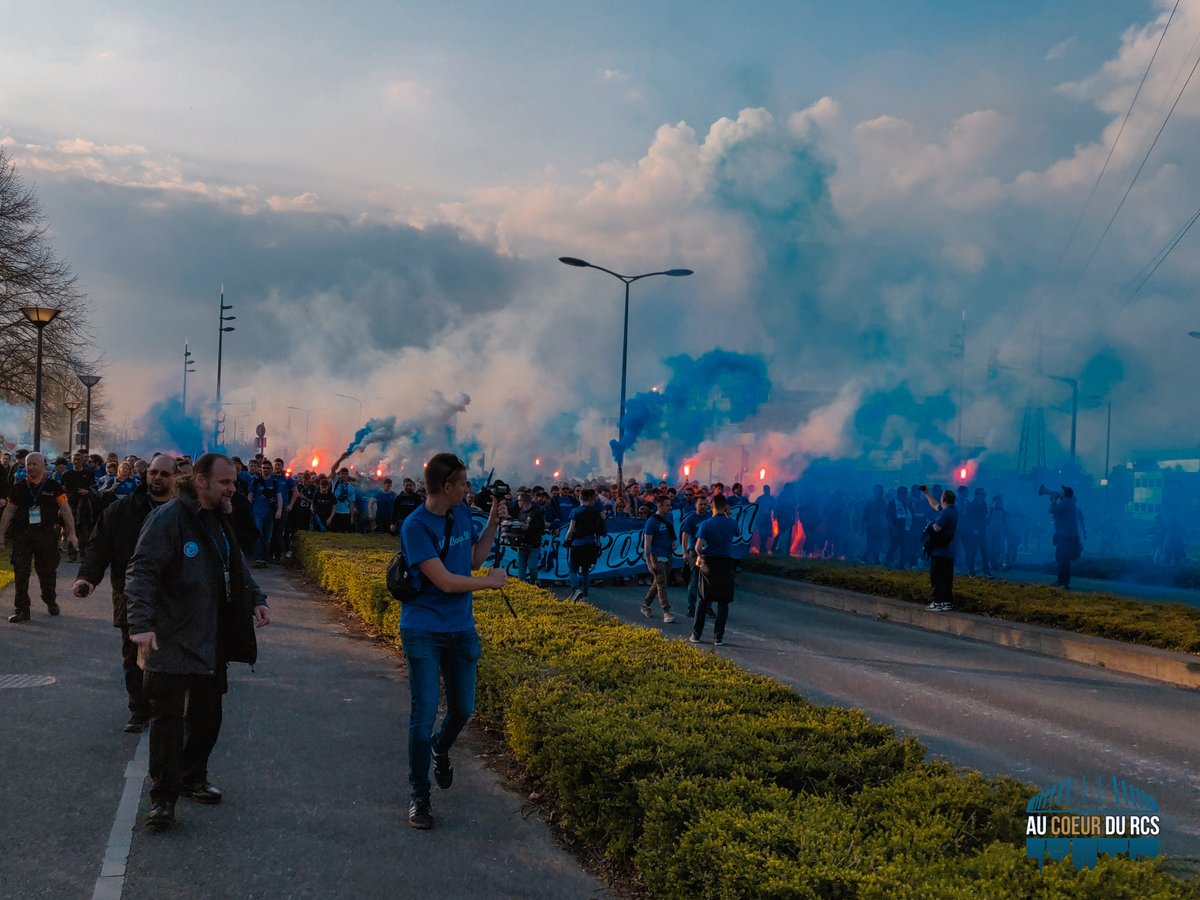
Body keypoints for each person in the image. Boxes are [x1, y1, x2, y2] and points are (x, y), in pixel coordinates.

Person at [123, 453, 270, 832]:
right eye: (225, 483)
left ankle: (193, 777)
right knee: (167, 723)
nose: (232, 490)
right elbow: (142, 570)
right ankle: (163, 799)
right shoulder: (169, 517)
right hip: (171, 638)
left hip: (211, 640)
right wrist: (140, 623)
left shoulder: (220, 520)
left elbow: (233, 564)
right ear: (202, 481)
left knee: (207, 717)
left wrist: (255, 597)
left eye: (234, 483)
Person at [399, 452, 507, 830]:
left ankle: (439, 747)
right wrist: (490, 584)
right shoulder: (415, 526)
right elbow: (444, 581)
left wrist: (492, 522)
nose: (468, 489)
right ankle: (419, 794)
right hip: (423, 630)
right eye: (463, 484)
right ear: (446, 487)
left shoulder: (461, 513)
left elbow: (474, 559)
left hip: (460, 628)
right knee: (423, 713)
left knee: (462, 709)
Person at [73, 453, 178, 732]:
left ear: (175, 478)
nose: (157, 478)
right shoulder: (122, 511)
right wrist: (87, 578)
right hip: (130, 592)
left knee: (170, 654)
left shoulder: (185, 512)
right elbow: (99, 547)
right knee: (132, 657)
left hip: (175, 597)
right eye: (153, 472)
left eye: (164, 474)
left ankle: (168, 708)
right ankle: (139, 710)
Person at [0, 452, 78, 622]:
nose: (31, 467)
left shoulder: (54, 487)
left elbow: (65, 510)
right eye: (28, 464)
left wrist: (72, 533)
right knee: (21, 572)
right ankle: (22, 609)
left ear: (43, 465)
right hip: (23, 535)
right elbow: (9, 511)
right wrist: (1, 533)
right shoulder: (18, 487)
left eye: (35, 464)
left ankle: (50, 599)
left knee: (47, 572)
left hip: (46, 536)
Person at [688, 493, 740, 646]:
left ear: (712, 506)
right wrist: (729, 516)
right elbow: (738, 534)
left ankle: (696, 635)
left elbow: (698, 547)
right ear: (725, 507)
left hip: (709, 564)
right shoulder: (731, 523)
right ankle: (718, 638)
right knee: (723, 603)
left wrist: (702, 553)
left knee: (703, 600)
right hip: (726, 564)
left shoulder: (706, 524)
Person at [640, 495, 678, 624]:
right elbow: (647, 544)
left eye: (669, 504)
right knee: (662, 583)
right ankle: (666, 612)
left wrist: (673, 542)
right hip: (656, 556)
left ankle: (646, 604)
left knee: (658, 582)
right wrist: (648, 562)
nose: (669, 507)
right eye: (666, 505)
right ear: (659, 505)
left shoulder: (669, 517)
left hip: (667, 554)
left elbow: (671, 532)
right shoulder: (651, 522)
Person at [920, 486, 957, 612]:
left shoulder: (946, 513)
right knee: (947, 578)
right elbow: (935, 505)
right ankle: (947, 601)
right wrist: (927, 494)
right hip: (949, 551)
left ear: (944, 499)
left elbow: (937, 528)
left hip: (940, 550)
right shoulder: (952, 510)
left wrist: (930, 526)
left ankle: (937, 602)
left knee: (936, 577)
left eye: (941, 497)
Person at [564, 487, 605, 601]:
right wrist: (597, 544)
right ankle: (585, 596)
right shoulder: (595, 512)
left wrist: (566, 540)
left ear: (580, 497)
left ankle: (576, 590)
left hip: (577, 544)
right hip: (591, 544)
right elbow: (598, 531)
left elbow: (571, 529)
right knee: (586, 571)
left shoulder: (575, 511)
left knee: (573, 569)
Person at [680, 496, 711, 618]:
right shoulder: (691, 519)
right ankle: (691, 608)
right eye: (701, 504)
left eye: (705, 504)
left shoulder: (710, 517)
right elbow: (685, 536)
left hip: (708, 553)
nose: (703, 506)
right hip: (695, 553)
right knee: (694, 580)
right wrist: (684, 552)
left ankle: (708, 607)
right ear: (696, 505)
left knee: (708, 581)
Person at [1049, 486, 1083, 589]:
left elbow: (1051, 510)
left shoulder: (1066, 502)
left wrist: (1053, 500)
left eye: (1061, 491)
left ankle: (1063, 581)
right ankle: (1063, 581)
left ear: (1065, 494)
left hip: (1066, 536)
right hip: (1066, 536)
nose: (1060, 492)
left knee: (1062, 558)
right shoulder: (1069, 502)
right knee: (1062, 558)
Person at [511, 490, 545, 585]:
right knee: (521, 567)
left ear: (523, 501)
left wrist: (529, 527)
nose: (517, 503)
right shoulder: (521, 512)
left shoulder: (536, 511)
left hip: (534, 544)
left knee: (532, 566)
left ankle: (534, 581)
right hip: (522, 544)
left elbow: (541, 527)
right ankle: (522, 586)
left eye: (518, 501)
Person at [330, 468, 356, 532]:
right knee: (334, 534)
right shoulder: (335, 482)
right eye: (342, 474)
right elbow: (333, 468)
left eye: (345, 474)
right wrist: (341, 459)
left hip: (346, 513)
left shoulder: (351, 488)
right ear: (339, 475)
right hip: (335, 513)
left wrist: (352, 517)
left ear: (348, 476)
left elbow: (351, 504)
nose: (344, 475)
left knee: (344, 535)